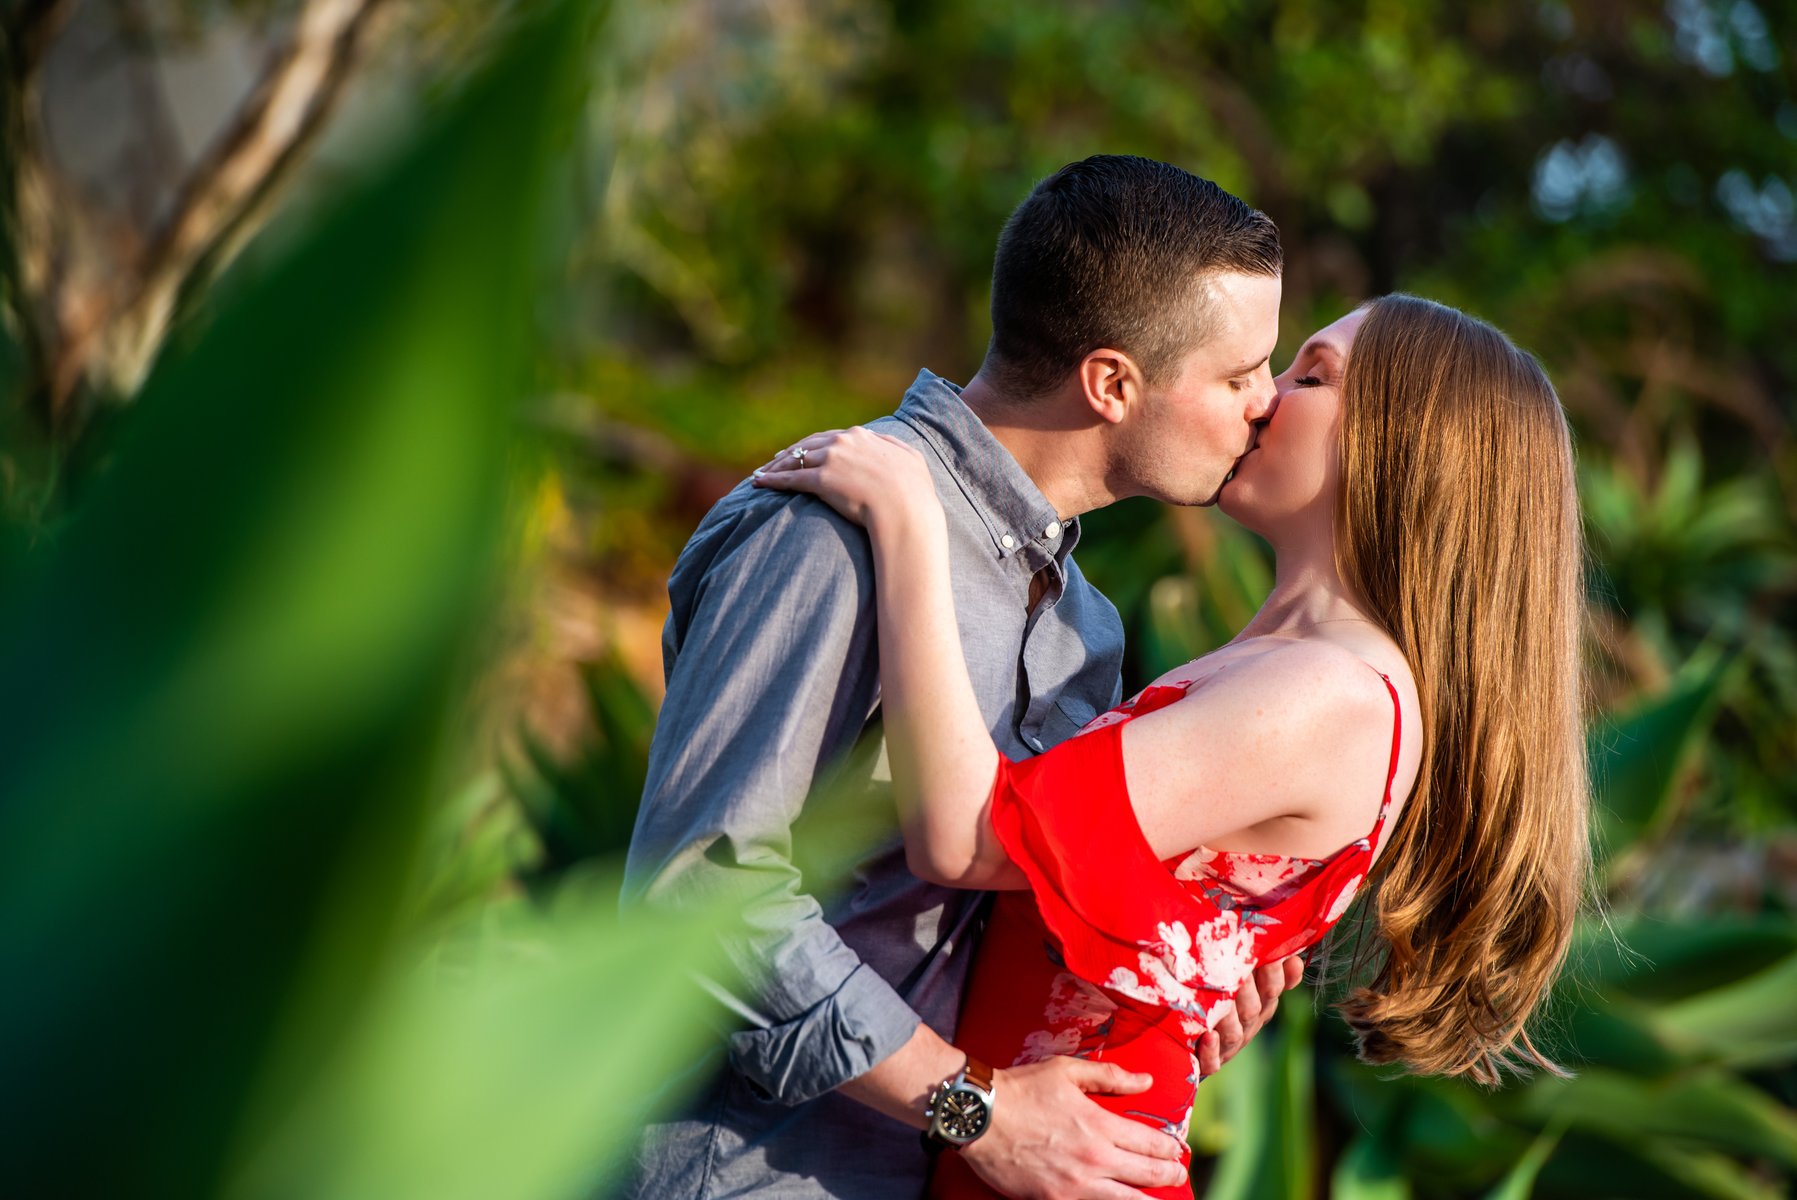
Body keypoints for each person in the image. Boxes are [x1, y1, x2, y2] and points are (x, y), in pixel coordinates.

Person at [753, 294, 1592, 1199]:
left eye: (1310, 376)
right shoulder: (1291, 665)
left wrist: (911, 522)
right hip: (1035, 1149)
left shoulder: (1326, 694)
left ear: (1403, 446)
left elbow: (969, 837)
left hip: (1051, 1160)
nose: (1264, 397)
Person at [618, 155, 1307, 1200]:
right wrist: (968, 1105)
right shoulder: (827, 533)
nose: (1265, 406)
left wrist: (1180, 986)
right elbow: (700, 889)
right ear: (1113, 384)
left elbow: (999, 913)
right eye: (1239, 374)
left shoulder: (1086, 626)